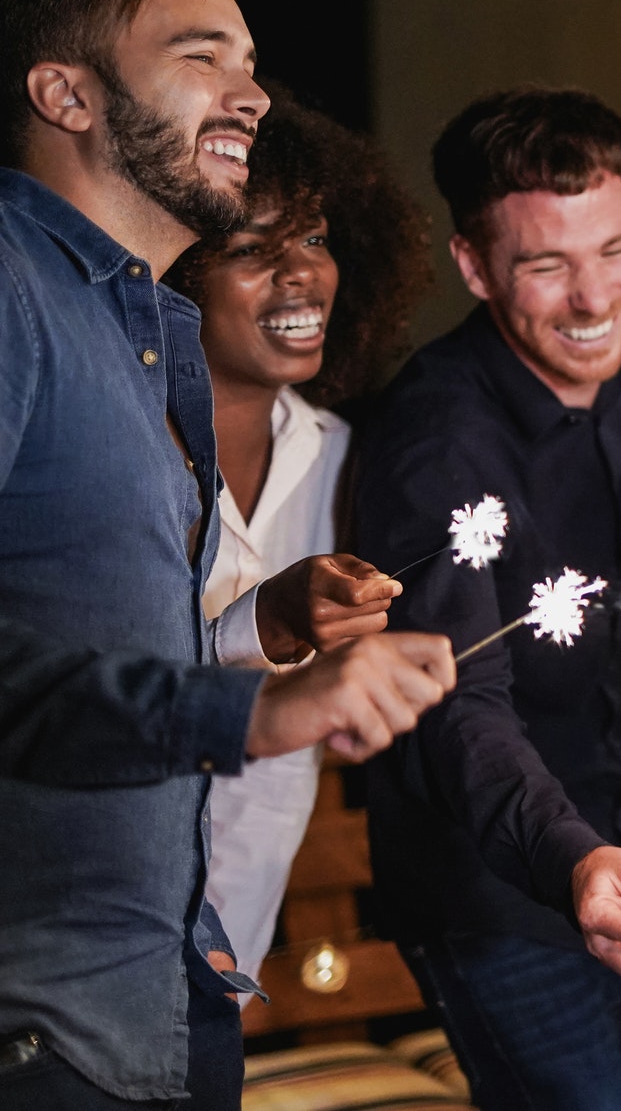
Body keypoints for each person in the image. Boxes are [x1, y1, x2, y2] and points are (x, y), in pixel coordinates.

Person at [0, 0, 454, 1109]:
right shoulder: (10, 286)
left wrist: (263, 634)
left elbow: (96, 645)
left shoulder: (142, 330)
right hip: (42, 1025)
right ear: (67, 93)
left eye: (248, 63)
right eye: (204, 57)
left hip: (173, 988)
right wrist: (253, 707)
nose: (251, 95)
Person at [352, 86, 621, 1111]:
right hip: (492, 886)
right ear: (473, 267)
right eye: (545, 264)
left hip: (616, 843)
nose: (594, 298)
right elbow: (454, 701)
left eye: (614, 249)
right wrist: (573, 858)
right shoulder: (433, 446)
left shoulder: (617, 349)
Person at [164, 84, 432, 983]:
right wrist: (265, 627)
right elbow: (85, 697)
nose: (301, 275)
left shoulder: (345, 460)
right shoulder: (114, 455)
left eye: (314, 239)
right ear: (173, 271)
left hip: (238, 939)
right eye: (252, 250)